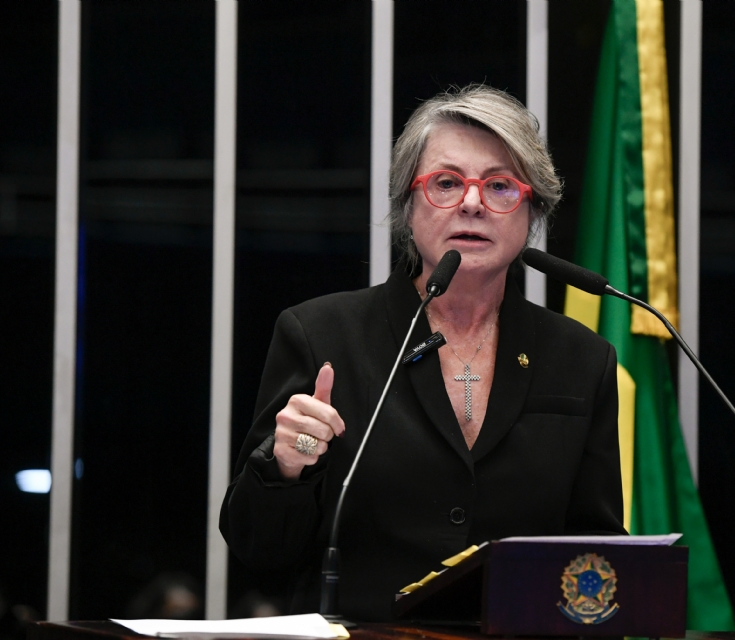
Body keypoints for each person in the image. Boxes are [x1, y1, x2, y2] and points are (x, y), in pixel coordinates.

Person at [220, 85, 626, 621]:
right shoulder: (322, 336)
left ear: (532, 210)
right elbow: (257, 548)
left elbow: (596, 554)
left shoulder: (581, 359)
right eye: (446, 183)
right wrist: (286, 466)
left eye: (500, 185)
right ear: (408, 206)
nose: (473, 203)